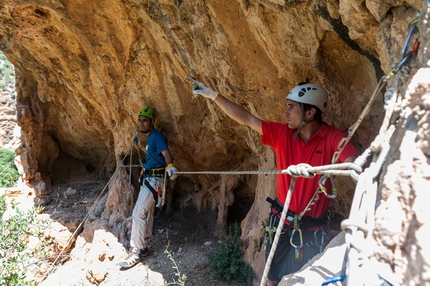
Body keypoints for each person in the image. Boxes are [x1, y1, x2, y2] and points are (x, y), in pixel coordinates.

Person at [186, 78, 358, 285]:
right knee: (271, 281)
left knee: (295, 281)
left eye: (291, 108)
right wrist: (214, 96)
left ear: (310, 113)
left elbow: (351, 162)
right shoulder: (281, 134)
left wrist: (349, 168)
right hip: (281, 224)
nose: (285, 112)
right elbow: (246, 119)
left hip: (309, 231)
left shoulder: (332, 137)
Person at [118, 107, 177, 270]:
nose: (141, 123)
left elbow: (166, 153)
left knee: (138, 213)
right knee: (147, 212)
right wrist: (141, 146)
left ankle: (135, 251)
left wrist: (170, 165)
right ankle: (143, 248)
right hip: (150, 179)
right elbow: (153, 154)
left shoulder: (157, 136)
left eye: (145, 120)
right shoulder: (151, 138)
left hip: (154, 180)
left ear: (152, 122)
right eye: (140, 120)